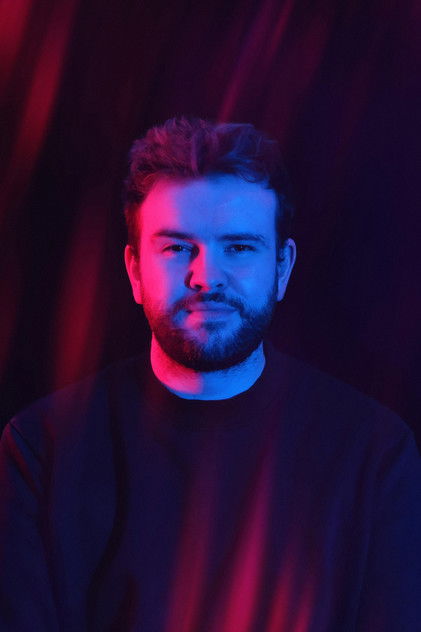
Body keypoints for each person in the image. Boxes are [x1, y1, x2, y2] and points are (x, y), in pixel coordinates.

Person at [0, 117, 420, 631]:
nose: (206, 277)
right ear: (135, 271)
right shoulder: (41, 450)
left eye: (238, 247)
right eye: (178, 247)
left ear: (282, 268)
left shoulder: (374, 454)